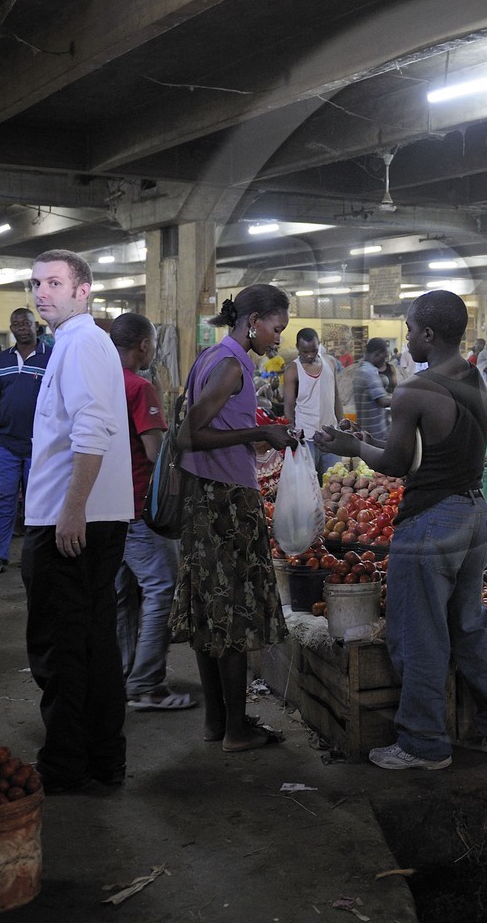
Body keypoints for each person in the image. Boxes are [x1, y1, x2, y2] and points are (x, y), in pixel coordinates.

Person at [314, 290, 487, 770]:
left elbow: (394, 463)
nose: (406, 337)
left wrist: (351, 444)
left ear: (428, 334)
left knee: (419, 636)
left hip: (432, 521)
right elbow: (430, 447)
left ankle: (423, 743)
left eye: (410, 328)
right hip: (475, 518)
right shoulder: (475, 377)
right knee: (468, 626)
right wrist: (374, 441)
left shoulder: (415, 390)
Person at [21, 249, 135, 793]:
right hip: (85, 516)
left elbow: (94, 427)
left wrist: (71, 509)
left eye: (55, 283)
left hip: (73, 522)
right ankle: (100, 758)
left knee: (62, 648)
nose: (42, 292)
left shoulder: (84, 343)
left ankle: (65, 766)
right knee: (89, 641)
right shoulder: (71, 344)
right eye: (37, 283)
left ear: (83, 290)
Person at [173, 286, 297, 753]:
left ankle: (216, 722)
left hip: (204, 498)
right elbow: (189, 435)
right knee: (232, 613)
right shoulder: (230, 364)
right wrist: (260, 431)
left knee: (209, 610)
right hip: (224, 502)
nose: (277, 339)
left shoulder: (211, 356)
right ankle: (237, 729)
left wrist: (256, 437)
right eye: (276, 329)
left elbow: (210, 430)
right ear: (253, 320)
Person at [109, 313, 193, 713]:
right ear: (144, 345)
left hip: (109, 508)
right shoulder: (139, 388)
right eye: (153, 343)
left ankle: (124, 675)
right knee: (160, 589)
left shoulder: (99, 383)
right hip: (142, 507)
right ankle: (146, 685)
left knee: (123, 595)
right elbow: (155, 454)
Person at [0, 308, 50, 576]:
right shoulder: (3, 360)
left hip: (39, 445)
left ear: (36, 326)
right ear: (11, 328)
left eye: (25, 323)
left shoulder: (50, 357)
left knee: (36, 504)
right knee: (4, 498)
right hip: (6, 442)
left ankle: (36, 556)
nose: (21, 327)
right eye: (15, 324)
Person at [282, 329, 340, 475]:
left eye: (313, 351)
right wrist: (292, 435)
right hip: (306, 437)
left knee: (333, 483)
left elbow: (336, 397)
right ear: (297, 347)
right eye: (304, 352)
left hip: (330, 435)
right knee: (309, 486)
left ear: (319, 344)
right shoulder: (293, 370)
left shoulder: (330, 362)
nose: (309, 355)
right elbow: (289, 405)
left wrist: (341, 425)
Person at [353, 337, 393, 446]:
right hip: (375, 436)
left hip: (365, 433)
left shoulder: (360, 369)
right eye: (384, 357)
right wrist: (404, 397)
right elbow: (383, 401)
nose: (384, 361)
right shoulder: (369, 372)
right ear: (378, 353)